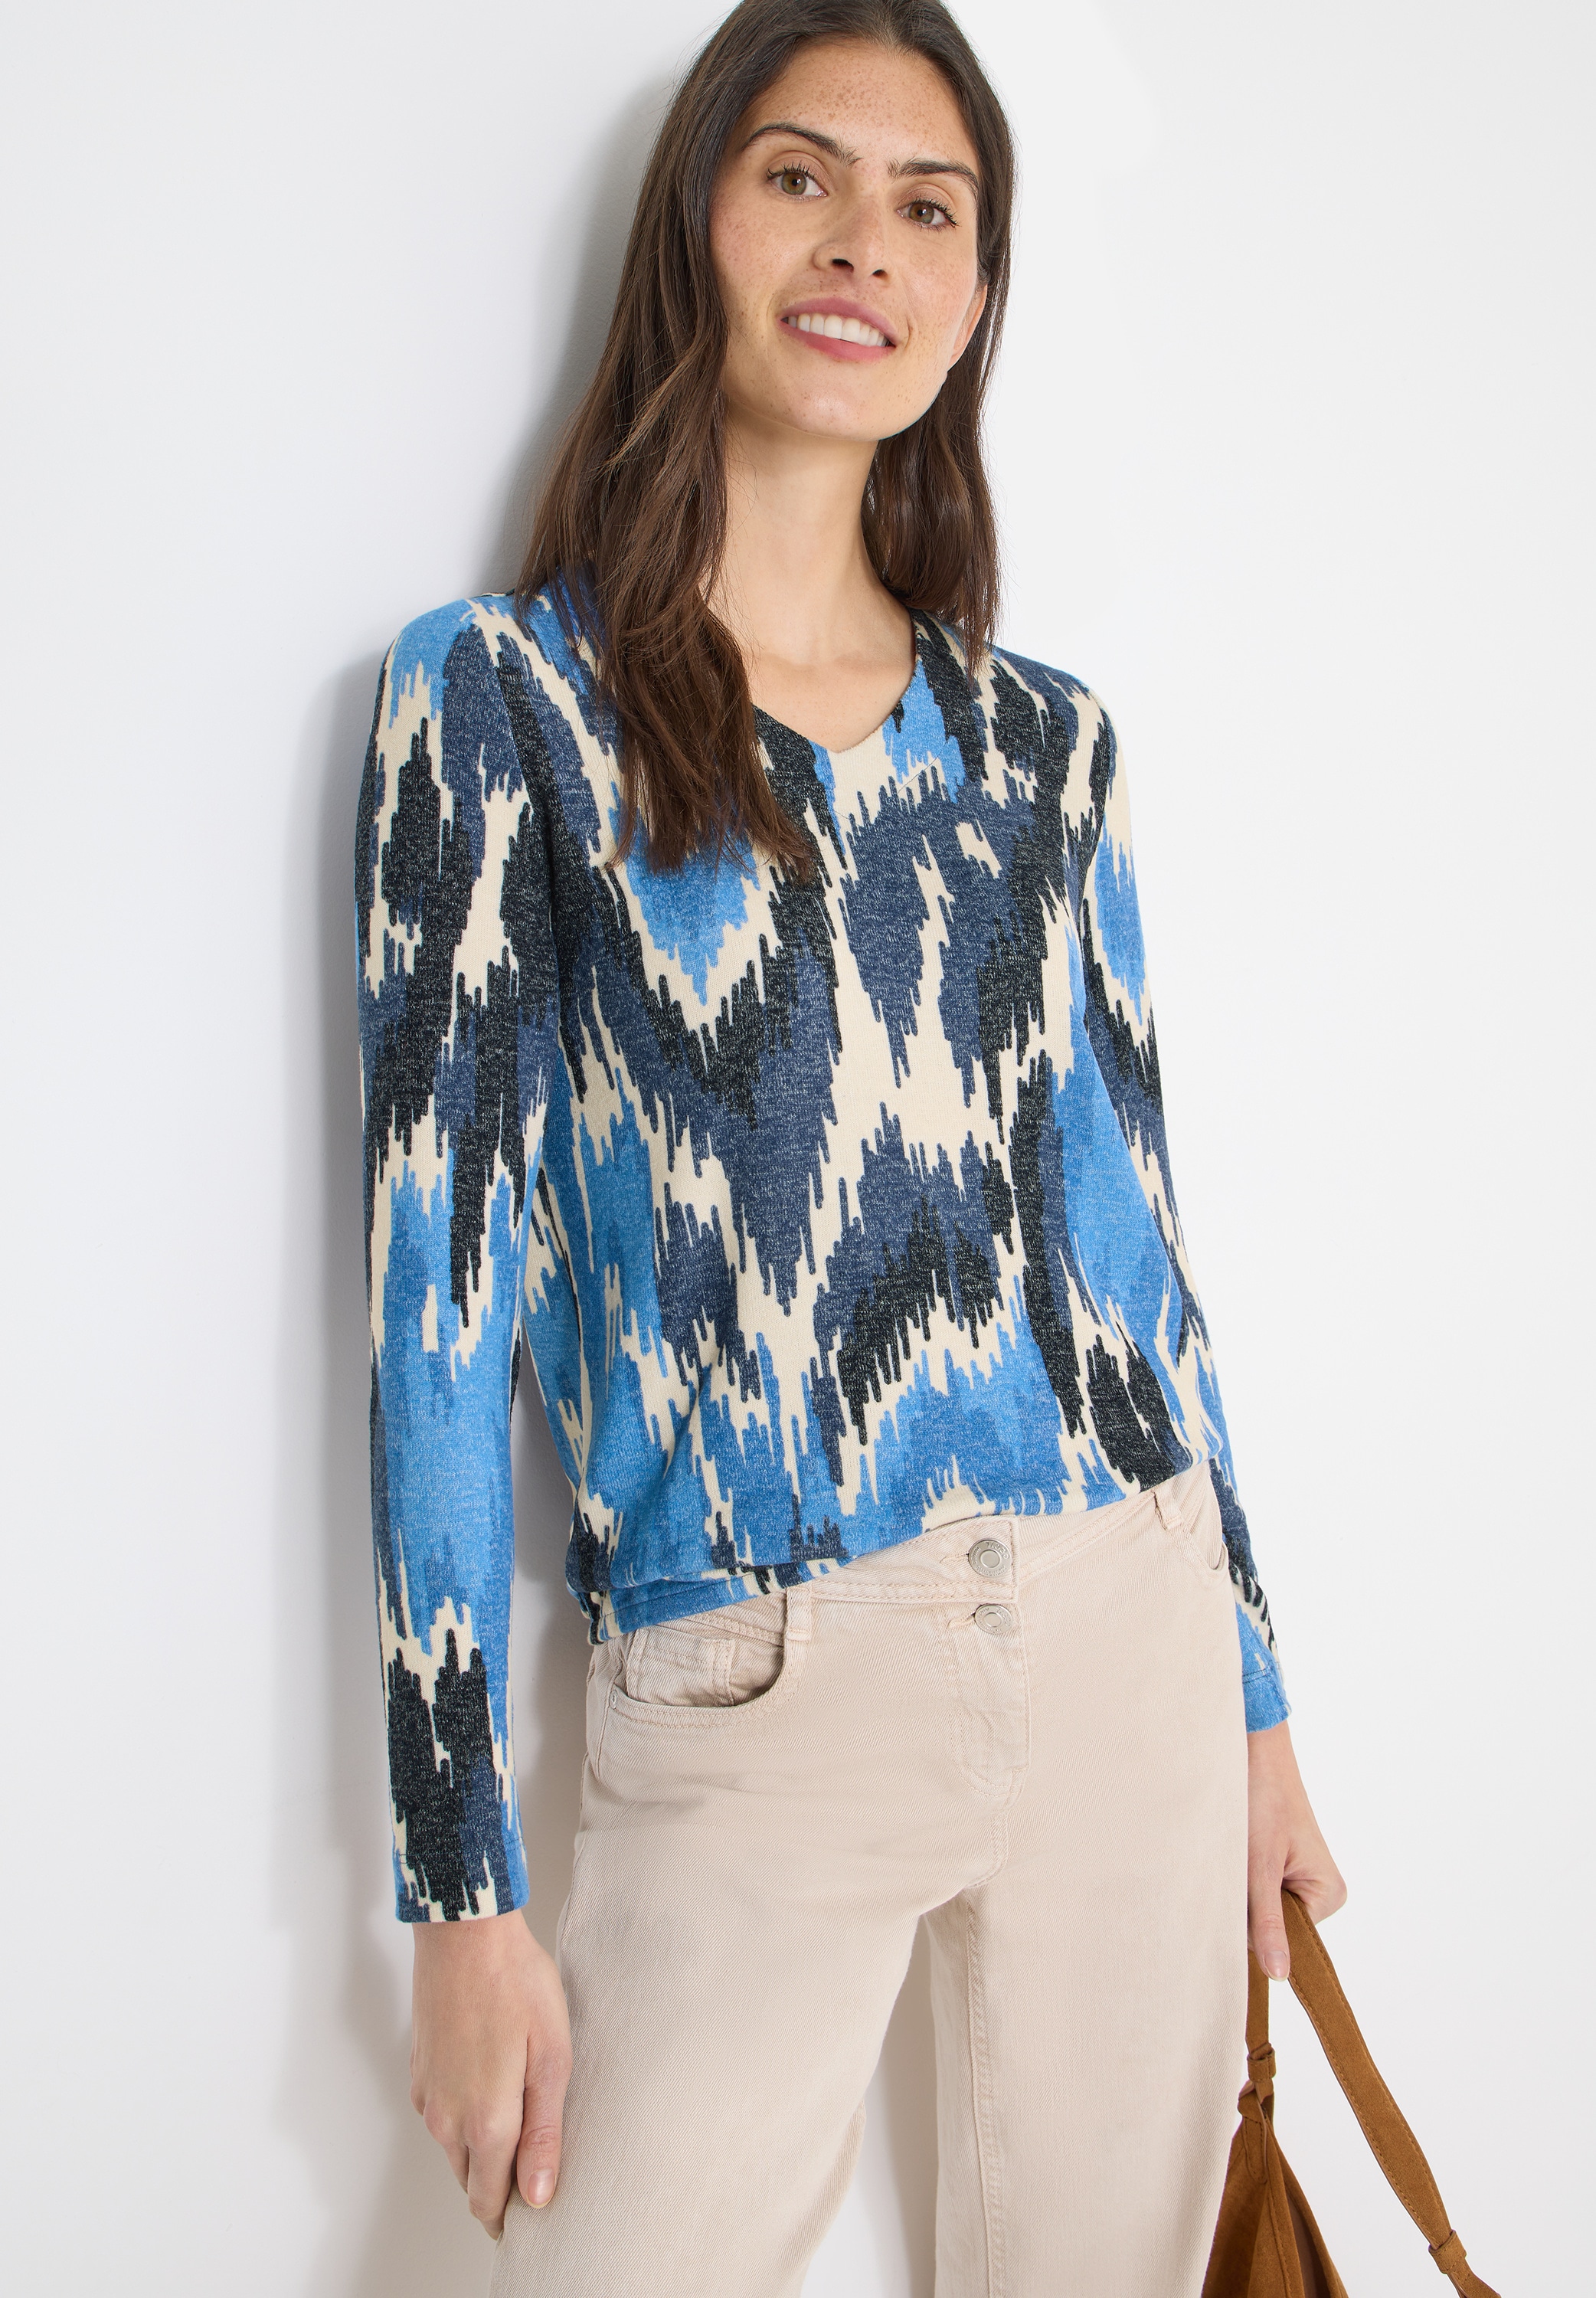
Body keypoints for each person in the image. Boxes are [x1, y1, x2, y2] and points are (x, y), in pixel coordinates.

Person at [353, 2, 1346, 2289]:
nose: (862, 247)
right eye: (800, 175)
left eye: (929, 208)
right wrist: (458, 1890)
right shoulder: (503, 704)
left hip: (1123, 1632)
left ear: (976, 293)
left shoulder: (1046, 746)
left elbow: (1133, 1247)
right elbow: (438, 1306)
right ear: (695, 220)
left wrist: (1255, 1708)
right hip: (754, 1669)